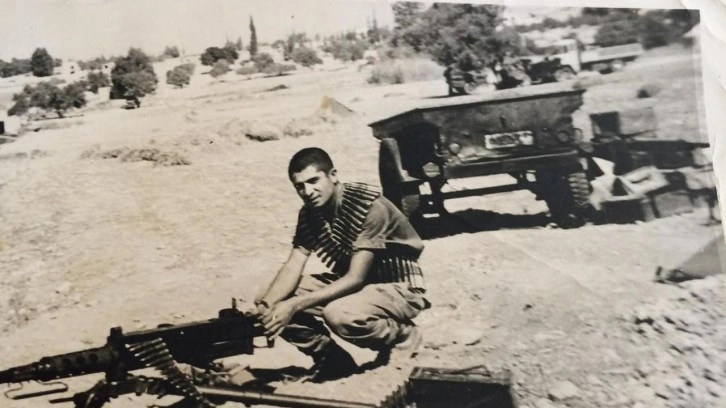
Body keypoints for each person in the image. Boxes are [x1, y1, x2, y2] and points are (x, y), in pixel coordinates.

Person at [253, 147, 430, 382]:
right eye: (300, 186)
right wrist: (267, 306)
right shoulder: (310, 214)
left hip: (398, 284)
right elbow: (295, 262)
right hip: (358, 285)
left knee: (338, 314)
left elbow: (356, 277)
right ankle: (332, 361)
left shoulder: (369, 207)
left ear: (333, 175)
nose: (308, 192)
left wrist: (294, 305)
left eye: (314, 181)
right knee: (271, 301)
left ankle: (404, 336)